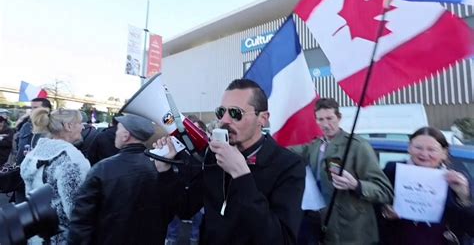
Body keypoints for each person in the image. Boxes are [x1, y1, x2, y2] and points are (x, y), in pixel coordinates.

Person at [155, 78, 306, 244]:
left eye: (235, 113)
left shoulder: (289, 165)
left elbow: (281, 240)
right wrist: (165, 170)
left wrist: (241, 176)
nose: (224, 120)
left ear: (262, 118)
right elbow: (185, 208)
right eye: (221, 112)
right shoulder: (214, 155)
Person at [290, 98, 393, 245]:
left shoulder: (358, 146)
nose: (326, 124)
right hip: (323, 228)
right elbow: (286, 153)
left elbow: (384, 191)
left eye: (330, 118)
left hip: (352, 232)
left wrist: (356, 185)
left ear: (339, 117)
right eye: (321, 119)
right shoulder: (315, 146)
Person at [68, 114, 180, 244]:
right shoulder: (162, 167)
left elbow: (82, 220)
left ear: (126, 136)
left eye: (118, 129)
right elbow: (170, 211)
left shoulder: (102, 168)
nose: (115, 133)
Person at [379, 126, 474, 245]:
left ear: (444, 153)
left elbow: (471, 229)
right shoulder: (392, 170)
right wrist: (385, 212)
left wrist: (464, 198)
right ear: (409, 148)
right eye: (418, 147)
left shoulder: (457, 180)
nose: (424, 154)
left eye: (431, 149)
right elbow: (375, 207)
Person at [20, 108, 90, 244]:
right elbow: (75, 209)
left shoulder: (33, 154)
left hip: (36, 233)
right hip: (61, 237)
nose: (83, 126)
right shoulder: (71, 159)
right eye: (80, 122)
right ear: (68, 126)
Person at [165, 117, 206, 245]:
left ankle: (194, 241)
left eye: (197, 129)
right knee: (173, 219)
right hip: (180, 189)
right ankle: (171, 240)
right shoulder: (179, 148)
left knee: (197, 223)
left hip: (198, 191)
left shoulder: (206, 151)